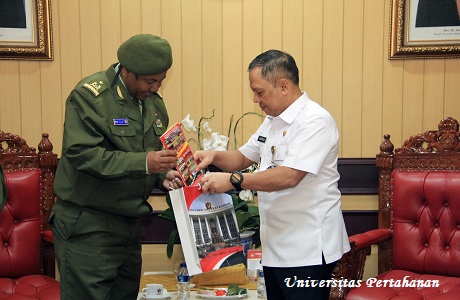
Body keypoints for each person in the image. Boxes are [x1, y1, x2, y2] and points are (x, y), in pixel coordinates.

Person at [194, 50, 350, 300]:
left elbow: (289, 176)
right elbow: (243, 157)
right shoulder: (273, 120)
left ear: (284, 86)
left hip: (307, 248)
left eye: (259, 92)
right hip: (276, 247)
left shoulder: (315, 121)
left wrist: (234, 181)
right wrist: (212, 155)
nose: (256, 99)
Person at [50, 34, 184, 300]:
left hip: (130, 227)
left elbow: (147, 155)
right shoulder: (91, 96)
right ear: (127, 71)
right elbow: (81, 154)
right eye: (150, 81)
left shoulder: (153, 104)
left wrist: (161, 176)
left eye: (161, 80)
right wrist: (145, 162)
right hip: (89, 227)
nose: (156, 87)